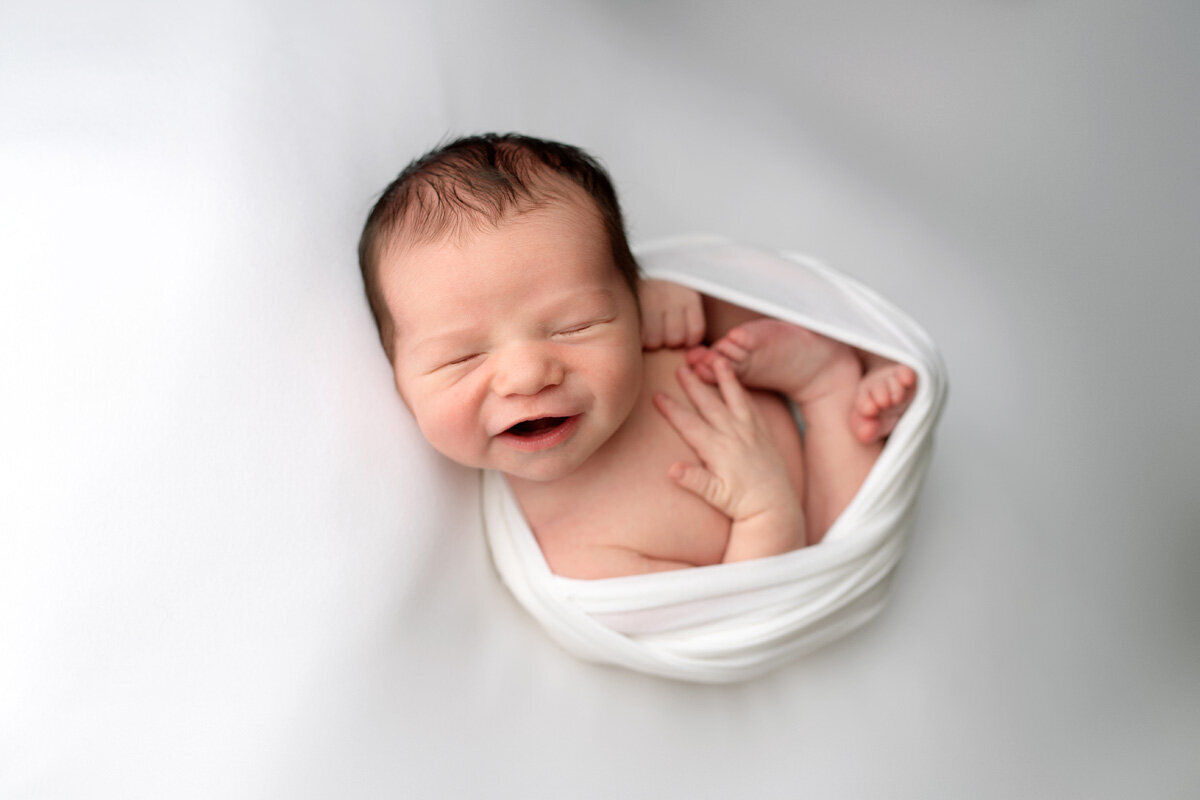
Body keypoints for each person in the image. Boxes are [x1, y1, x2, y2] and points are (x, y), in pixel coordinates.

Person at [358, 133, 916, 579]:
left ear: (627, 296)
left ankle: (837, 358)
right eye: (462, 357)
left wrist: (686, 301)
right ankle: (828, 386)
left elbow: (712, 291)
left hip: (741, 376)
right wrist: (765, 510)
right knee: (843, 524)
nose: (527, 374)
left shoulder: (642, 327)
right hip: (801, 517)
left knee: (707, 317)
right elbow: (741, 611)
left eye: (575, 326)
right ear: (397, 378)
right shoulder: (577, 556)